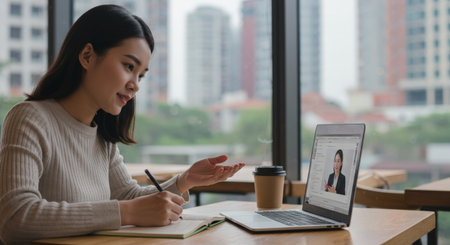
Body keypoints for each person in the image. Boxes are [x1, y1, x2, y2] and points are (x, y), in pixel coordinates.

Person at [0, 5, 245, 244]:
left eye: (141, 75)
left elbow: (129, 197)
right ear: (87, 56)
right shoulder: (30, 118)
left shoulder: (101, 137)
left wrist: (185, 180)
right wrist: (125, 212)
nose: (135, 85)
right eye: (129, 66)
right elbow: (15, 217)